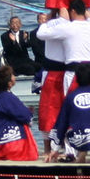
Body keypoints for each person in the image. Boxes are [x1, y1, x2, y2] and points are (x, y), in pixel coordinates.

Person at [47, 64, 90, 164]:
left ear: (76, 80)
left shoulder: (70, 97)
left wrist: (54, 148)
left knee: (76, 129)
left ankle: (82, 154)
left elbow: (62, 123)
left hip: (80, 138)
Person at [36, 0, 90, 94]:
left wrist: (46, 22)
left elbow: (40, 34)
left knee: (72, 101)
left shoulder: (67, 27)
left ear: (72, 11)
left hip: (73, 73)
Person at [35, 12, 67, 154]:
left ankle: (63, 147)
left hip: (66, 70)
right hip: (52, 71)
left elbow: (41, 32)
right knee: (48, 111)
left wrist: (48, 19)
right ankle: (49, 148)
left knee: (61, 110)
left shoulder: (56, 24)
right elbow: (40, 34)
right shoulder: (54, 24)